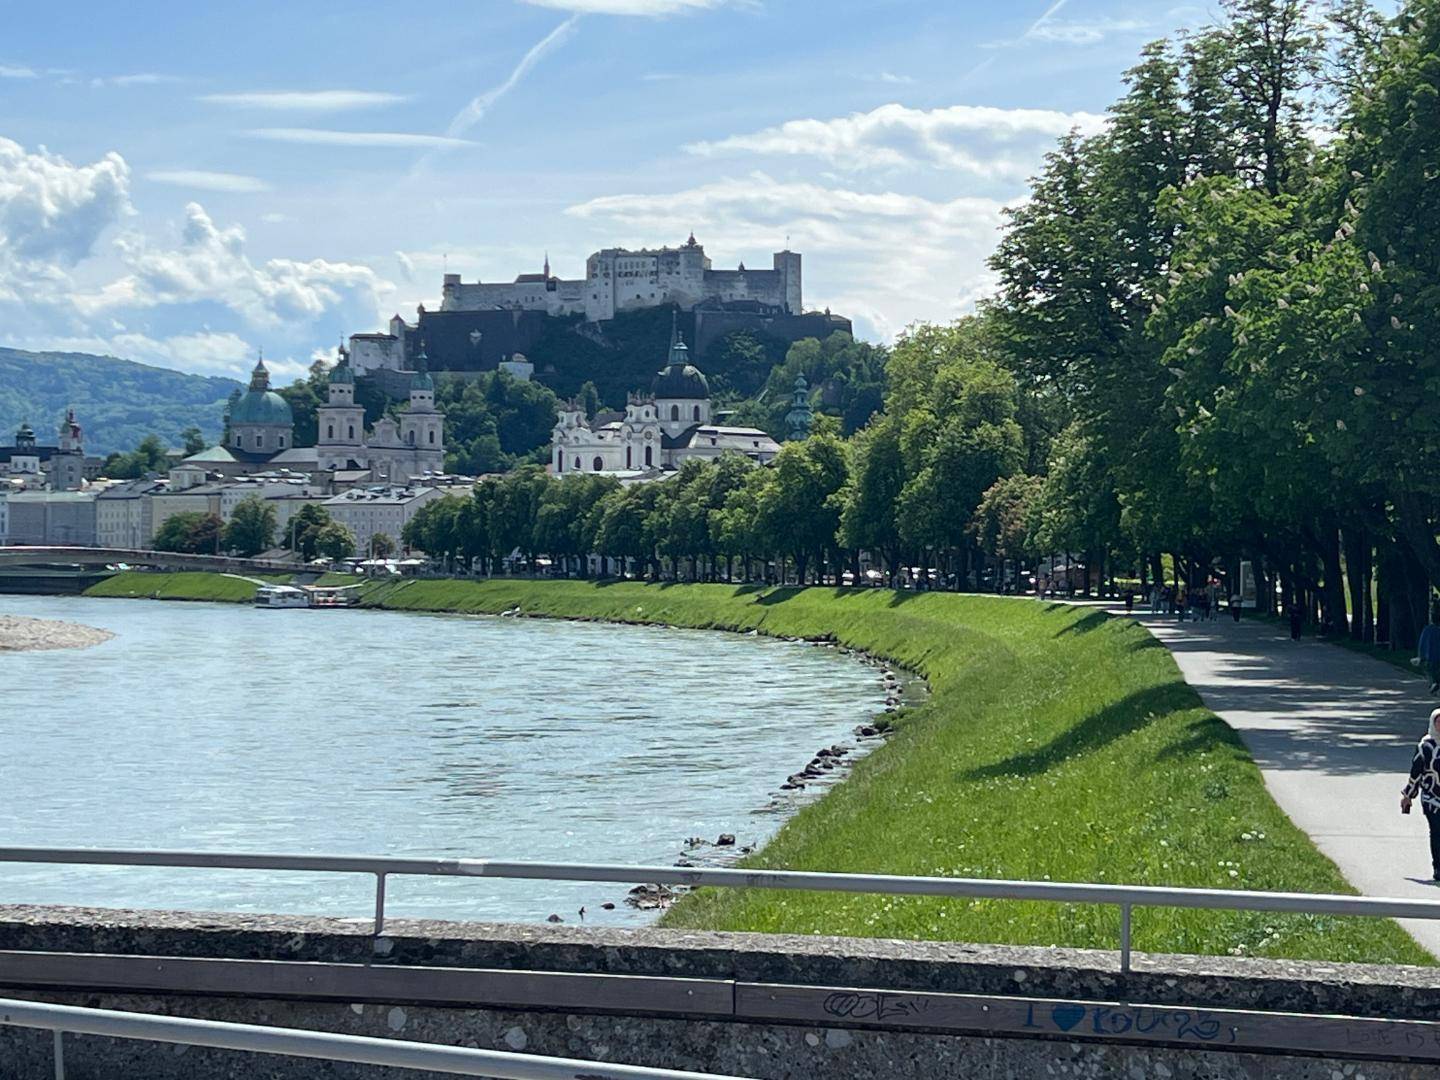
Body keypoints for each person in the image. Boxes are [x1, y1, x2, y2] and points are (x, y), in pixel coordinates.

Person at [1402, 709, 1440, 881]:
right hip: (1432, 799)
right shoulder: (1425, 746)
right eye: (1438, 722)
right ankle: (1438, 868)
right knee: (1437, 832)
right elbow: (1416, 773)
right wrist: (1408, 795)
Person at [1417, 611, 1440, 695]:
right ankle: (1435, 684)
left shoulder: (1427, 630)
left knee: (1430, 672)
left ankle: (1433, 684)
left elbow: (1422, 643)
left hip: (1429, 656)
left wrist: (1421, 655)